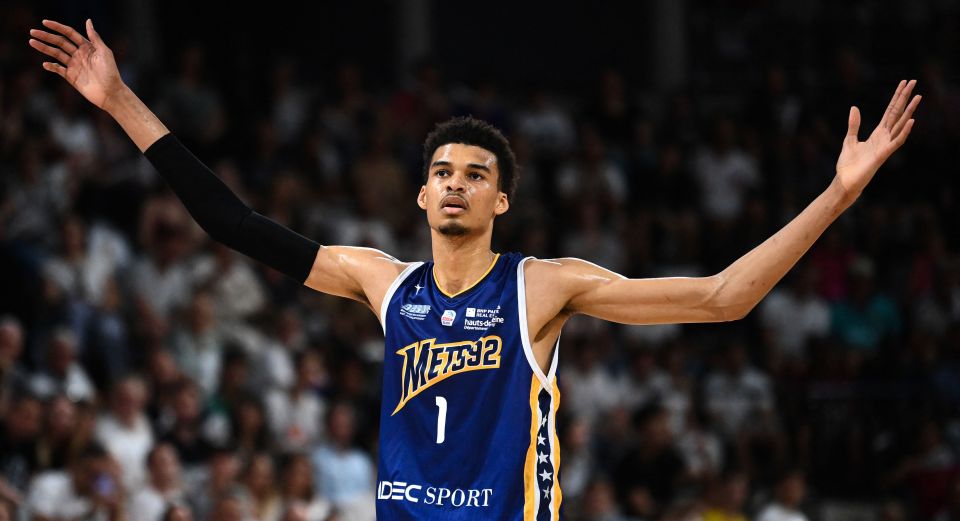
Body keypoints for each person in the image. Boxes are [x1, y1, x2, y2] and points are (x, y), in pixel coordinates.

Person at [28, 18, 921, 520]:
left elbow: (726, 297)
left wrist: (838, 195)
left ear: (502, 202)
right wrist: (119, 102)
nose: (456, 185)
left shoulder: (543, 285)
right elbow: (233, 222)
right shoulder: (383, 282)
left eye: (476, 175)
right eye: (444, 173)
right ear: (421, 195)